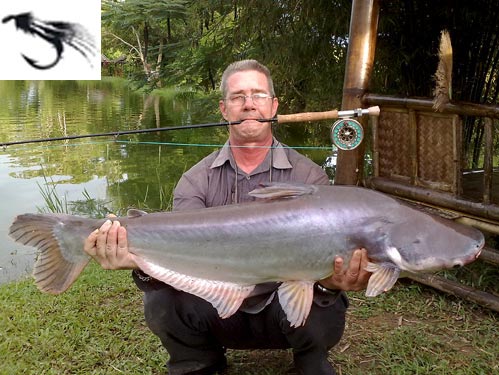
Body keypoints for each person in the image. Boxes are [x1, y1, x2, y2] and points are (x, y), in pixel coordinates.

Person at [84, 59, 371, 375]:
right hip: (217, 308)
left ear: (274, 105)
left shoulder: (309, 177)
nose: (249, 105)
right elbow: (183, 257)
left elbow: (324, 263)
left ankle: (309, 363)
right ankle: (198, 363)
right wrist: (139, 262)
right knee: (162, 300)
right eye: (238, 97)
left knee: (326, 304)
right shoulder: (195, 180)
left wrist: (332, 283)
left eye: (259, 95)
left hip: (283, 309)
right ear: (224, 109)